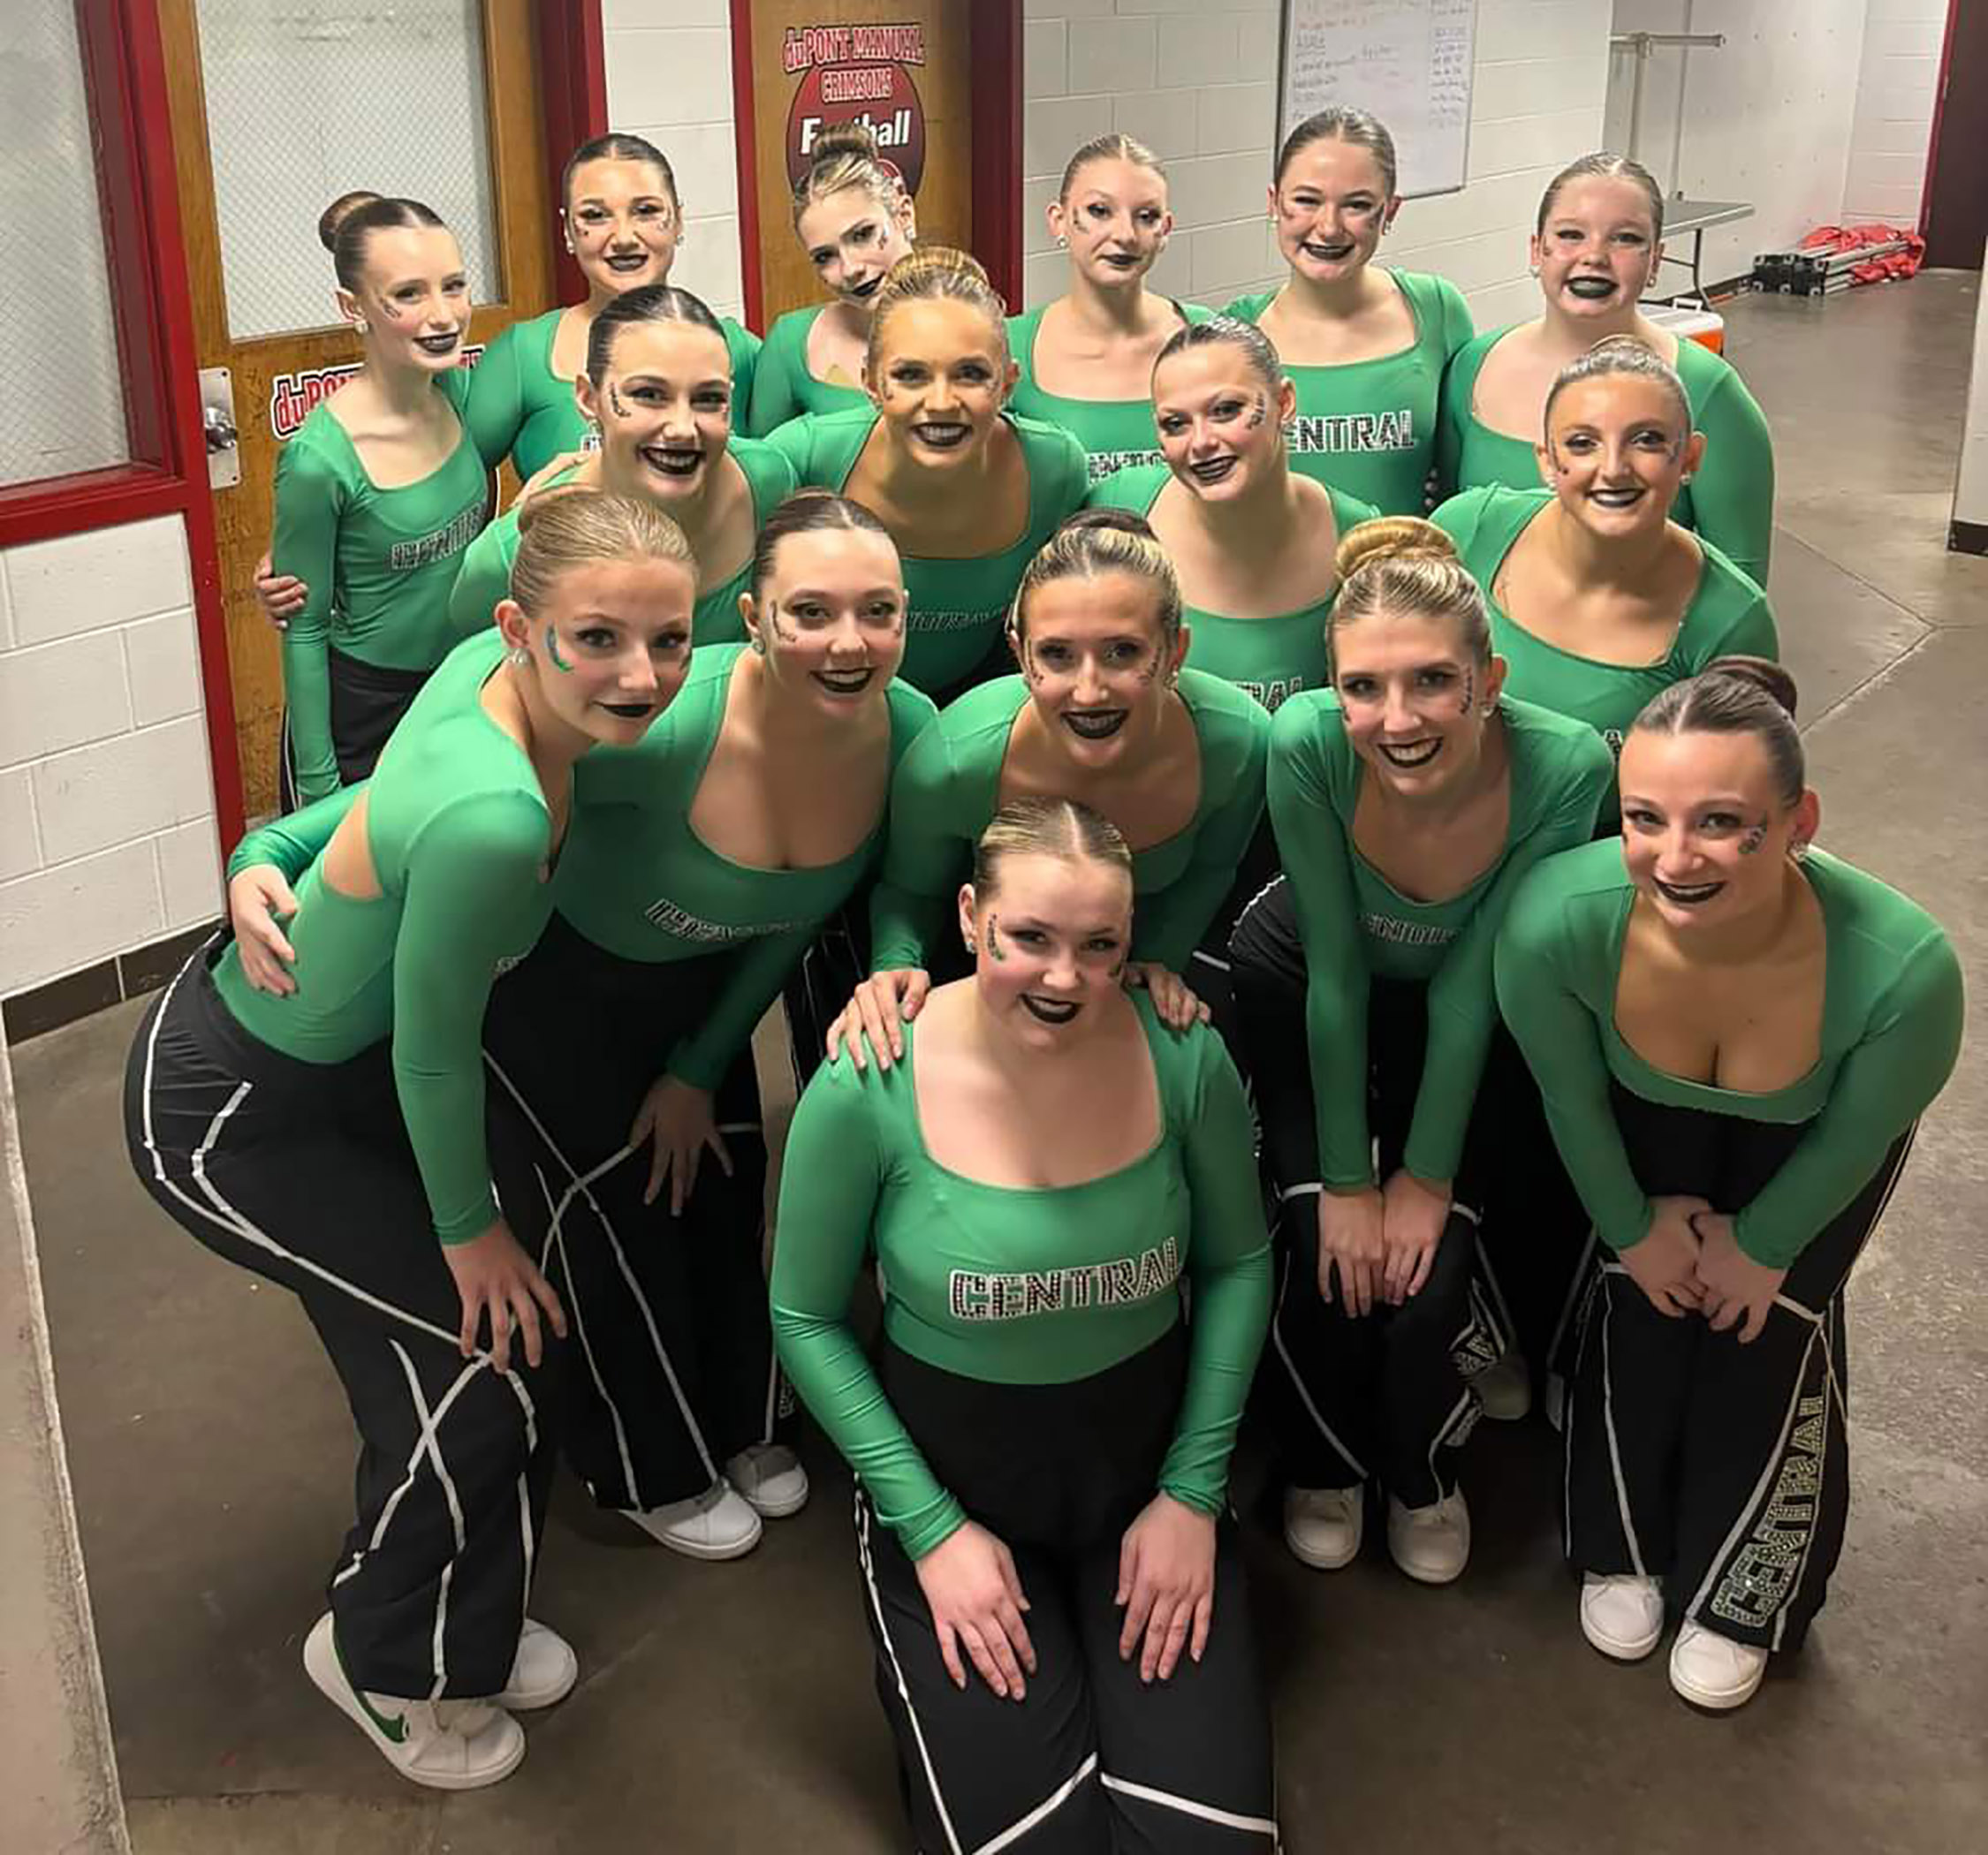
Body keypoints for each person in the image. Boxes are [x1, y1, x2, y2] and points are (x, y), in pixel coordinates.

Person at [125, 488, 698, 1787]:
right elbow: (434, 1046)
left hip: (336, 1082)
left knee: (508, 1340)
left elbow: (376, 807)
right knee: (470, 1360)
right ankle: (381, 1660)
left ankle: (463, 1633)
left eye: (667, 640)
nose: (643, 674)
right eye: (596, 638)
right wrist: (467, 1228)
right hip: (231, 1115)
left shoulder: (485, 685)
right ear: (517, 629)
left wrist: (271, 835)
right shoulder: (497, 806)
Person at [772, 797, 1279, 1852]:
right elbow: (805, 1318)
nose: (1065, 979)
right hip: (955, 1489)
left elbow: (1237, 1263)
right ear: (968, 917)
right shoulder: (869, 1079)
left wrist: (1193, 1494)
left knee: (1207, 1843)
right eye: (1030, 939)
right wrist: (931, 1532)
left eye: (1101, 947)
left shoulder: (1184, 1056)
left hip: (1143, 1481)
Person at [1494, 660, 1962, 1709]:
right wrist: (1630, 1229)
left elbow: (1859, 1137)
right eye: (1644, 818)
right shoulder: (1555, 927)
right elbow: (1570, 1104)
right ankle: (1619, 1546)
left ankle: (1741, 1594)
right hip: (1641, 1110)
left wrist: (1767, 1243)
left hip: (1812, 1137)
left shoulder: (1905, 971)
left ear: (1799, 822)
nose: (1674, 856)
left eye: (1719, 821)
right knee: (1641, 1301)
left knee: (1768, 1328)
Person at [478, 493, 934, 1560]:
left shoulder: (903, 730)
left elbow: (799, 918)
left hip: (707, 1001)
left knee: (726, 1194)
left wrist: (697, 1066)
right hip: (559, 999)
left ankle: (745, 1421)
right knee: (614, 1226)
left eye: (878, 612)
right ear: (754, 616)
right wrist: (274, 854)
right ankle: (650, 1469)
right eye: (811, 611)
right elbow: (449, 770)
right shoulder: (660, 729)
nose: (848, 642)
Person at [1227, 519, 1613, 1584]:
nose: (1395, 720)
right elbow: (1339, 976)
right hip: (1312, 981)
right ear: (1332, 688)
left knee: (1426, 1270)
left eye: (1434, 682)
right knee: (1326, 1253)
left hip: (1467, 1005)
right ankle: (1322, 1460)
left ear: (1489, 679)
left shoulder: (1567, 766)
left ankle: (1418, 1467)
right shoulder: (1304, 744)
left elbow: (1471, 985)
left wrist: (1427, 1176)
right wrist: (1348, 1178)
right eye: (1364, 688)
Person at [832, 509, 1270, 1067]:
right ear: (1019, 653)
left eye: (1123, 652)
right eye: (1057, 655)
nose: (1089, 691)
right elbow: (910, 891)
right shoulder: (954, 761)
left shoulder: (1238, 745)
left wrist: (1156, 964)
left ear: (1175, 651)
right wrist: (895, 964)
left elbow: (1209, 871)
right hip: (986, 970)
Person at [1434, 337, 1778, 763]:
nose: (1614, 469)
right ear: (1545, 459)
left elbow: (1729, 800)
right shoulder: (1469, 531)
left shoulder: (1729, 622)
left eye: (1647, 440)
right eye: (1582, 443)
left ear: (1690, 457)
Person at [766, 246, 1089, 700]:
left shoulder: (1054, 469)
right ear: (872, 383)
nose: (940, 403)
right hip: (825, 710)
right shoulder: (805, 457)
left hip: (971, 714)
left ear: (1008, 384)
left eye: (971, 374)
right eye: (911, 375)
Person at [1438, 153, 1775, 584]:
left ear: (1655, 261)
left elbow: (1740, 583)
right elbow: (1446, 541)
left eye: (1626, 238)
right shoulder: (1473, 367)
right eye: (1570, 234)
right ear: (1536, 250)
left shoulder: (1708, 392)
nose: (1594, 255)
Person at [271, 194, 489, 806]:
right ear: (353, 307)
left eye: (454, 286)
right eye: (409, 295)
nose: (443, 315)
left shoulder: (458, 389)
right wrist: (318, 780)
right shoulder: (318, 459)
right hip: (361, 713)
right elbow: (304, 628)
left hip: (457, 688)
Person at [449, 285, 795, 646]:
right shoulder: (512, 553)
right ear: (588, 398)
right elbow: (477, 669)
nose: (682, 428)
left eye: (708, 399)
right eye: (648, 394)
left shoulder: (769, 481)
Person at [1089, 316, 1379, 713]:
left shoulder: (1360, 542)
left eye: (1226, 410)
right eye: (1176, 424)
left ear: (1284, 402)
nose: (1202, 442)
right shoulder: (1118, 509)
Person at [467, 133, 760, 481]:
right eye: (596, 216)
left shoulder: (737, 350)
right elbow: (453, 499)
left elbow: (788, 468)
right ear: (567, 230)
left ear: (679, 220)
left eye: (646, 211)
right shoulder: (523, 355)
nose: (623, 237)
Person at [1224, 108, 1474, 514]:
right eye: (1306, 200)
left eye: (1356, 205)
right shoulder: (1236, 331)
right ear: (1274, 203)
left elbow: (1460, 482)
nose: (1329, 227)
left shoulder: (1436, 310)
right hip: (1276, 574)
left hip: (1402, 572)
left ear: (1389, 211)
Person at [1007, 132, 1212, 482]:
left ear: (1165, 230)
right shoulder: (1006, 347)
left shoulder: (1210, 340)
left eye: (1146, 216)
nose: (1125, 235)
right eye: (1099, 211)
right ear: (1058, 220)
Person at [746, 123, 918, 433]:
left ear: (904, 216)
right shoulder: (791, 344)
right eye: (825, 257)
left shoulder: (974, 320)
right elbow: (766, 471)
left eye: (863, 234)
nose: (850, 268)